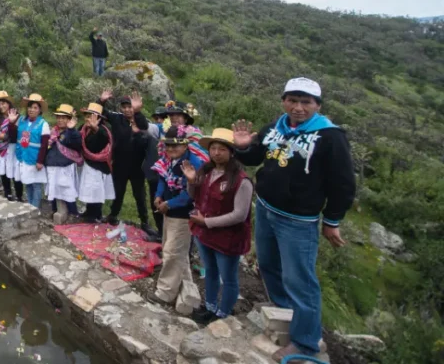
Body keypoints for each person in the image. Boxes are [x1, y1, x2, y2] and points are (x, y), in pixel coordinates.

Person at [231, 78, 355, 360]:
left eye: (306, 102)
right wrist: (241, 147)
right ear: (284, 101)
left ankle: (306, 342)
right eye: (292, 100)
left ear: (317, 105)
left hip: (298, 221)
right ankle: (284, 311)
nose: (298, 108)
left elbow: (343, 183)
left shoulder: (330, 136)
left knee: (301, 280)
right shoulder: (276, 126)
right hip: (265, 209)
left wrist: (332, 220)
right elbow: (255, 158)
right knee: (269, 265)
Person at [181, 128, 254, 324]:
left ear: (231, 152)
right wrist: (191, 182)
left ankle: (223, 313)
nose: (216, 153)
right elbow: (193, 196)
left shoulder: (241, 180)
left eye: (222, 149)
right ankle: (211, 306)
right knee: (210, 271)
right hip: (204, 234)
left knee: (228, 277)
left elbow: (239, 215)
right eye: (213, 148)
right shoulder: (206, 171)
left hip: (227, 237)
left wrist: (207, 222)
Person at [147, 126, 205, 307]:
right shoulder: (169, 160)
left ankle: (165, 293)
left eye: (176, 146)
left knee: (172, 251)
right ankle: (184, 283)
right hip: (170, 212)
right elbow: (164, 179)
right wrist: (158, 195)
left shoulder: (193, 164)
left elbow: (191, 194)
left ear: (186, 145)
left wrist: (169, 204)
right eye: (169, 145)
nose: (171, 149)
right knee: (172, 248)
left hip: (184, 215)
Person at [97, 91, 154, 233]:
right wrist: (101, 101)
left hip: (137, 166)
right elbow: (100, 112)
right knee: (118, 192)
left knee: (139, 195)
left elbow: (144, 127)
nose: (128, 110)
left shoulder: (140, 119)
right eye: (125, 107)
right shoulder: (117, 119)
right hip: (120, 164)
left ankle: (145, 221)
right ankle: (113, 215)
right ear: (121, 108)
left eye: (130, 107)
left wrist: (138, 112)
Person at [44, 105, 83, 225]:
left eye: (64, 118)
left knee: (67, 189)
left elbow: (77, 145)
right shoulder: (53, 132)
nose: (60, 120)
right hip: (52, 164)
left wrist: (71, 130)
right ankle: (55, 210)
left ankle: (73, 213)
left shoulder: (72, 133)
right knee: (54, 189)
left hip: (65, 166)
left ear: (69, 119)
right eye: (58, 117)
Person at [79, 102, 116, 223]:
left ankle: (96, 214)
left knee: (96, 190)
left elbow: (103, 141)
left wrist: (96, 129)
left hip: (99, 166)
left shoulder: (105, 131)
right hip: (88, 164)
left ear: (99, 119)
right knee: (89, 189)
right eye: (88, 115)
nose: (89, 118)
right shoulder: (84, 129)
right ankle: (89, 211)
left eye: (93, 116)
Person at [14, 94, 50, 209]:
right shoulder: (22, 121)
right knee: (27, 183)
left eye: (35, 107)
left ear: (39, 110)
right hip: (23, 156)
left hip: (35, 159)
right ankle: (29, 206)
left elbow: (44, 145)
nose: (32, 110)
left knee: (36, 184)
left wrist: (40, 161)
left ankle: (35, 208)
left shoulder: (43, 124)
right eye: (30, 107)